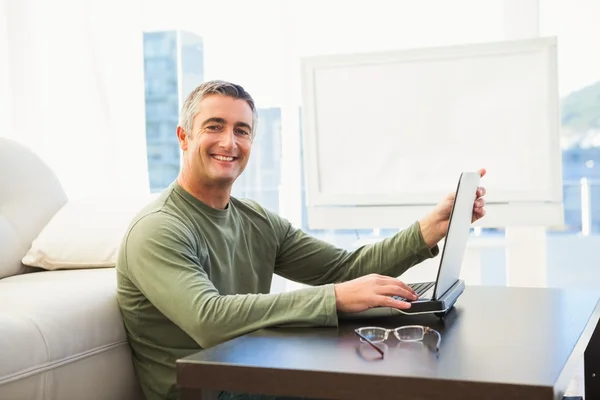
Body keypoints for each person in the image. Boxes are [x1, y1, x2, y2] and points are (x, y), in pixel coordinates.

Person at [115, 80, 487, 400]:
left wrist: (430, 227)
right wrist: (336, 297)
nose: (229, 142)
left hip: (254, 370)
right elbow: (208, 318)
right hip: (211, 391)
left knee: (403, 372)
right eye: (215, 126)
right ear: (184, 137)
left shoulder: (255, 220)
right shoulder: (159, 229)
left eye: (242, 130)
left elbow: (343, 269)